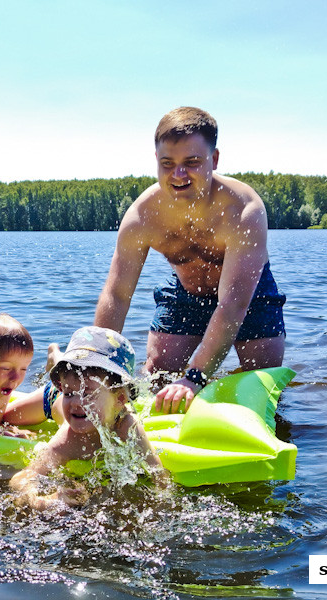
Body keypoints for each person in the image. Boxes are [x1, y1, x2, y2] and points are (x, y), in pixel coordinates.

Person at [94, 107, 286, 414]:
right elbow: (116, 296)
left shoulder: (244, 210)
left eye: (191, 163)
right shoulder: (143, 216)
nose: (178, 175)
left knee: (263, 378)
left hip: (248, 294)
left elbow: (232, 304)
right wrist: (96, 365)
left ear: (215, 159)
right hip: (186, 291)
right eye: (167, 164)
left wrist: (195, 376)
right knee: (157, 376)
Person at [9, 326, 168, 510]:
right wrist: (43, 501)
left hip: (69, 388)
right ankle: (54, 356)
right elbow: (21, 479)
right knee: (5, 416)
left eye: (88, 394)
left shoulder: (127, 426)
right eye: (70, 393)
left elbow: (159, 476)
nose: (76, 402)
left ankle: (56, 359)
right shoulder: (68, 438)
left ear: (120, 399)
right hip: (52, 397)